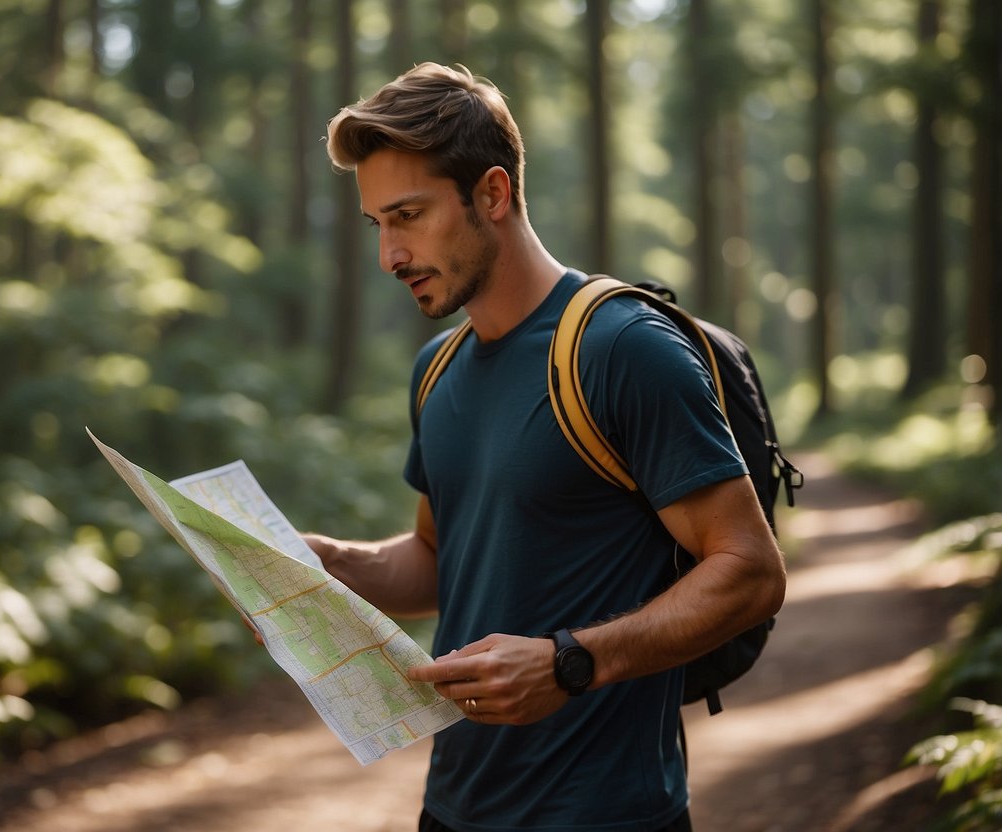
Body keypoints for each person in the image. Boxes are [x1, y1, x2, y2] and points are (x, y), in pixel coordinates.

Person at [302, 62, 786, 832]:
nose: (390, 255)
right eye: (377, 225)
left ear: (491, 194)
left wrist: (570, 662)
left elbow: (750, 573)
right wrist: (322, 566)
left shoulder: (621, 349)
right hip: (453, 807)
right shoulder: (437, 372)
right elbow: (437, 560)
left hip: (607, 815)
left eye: (409, 216)